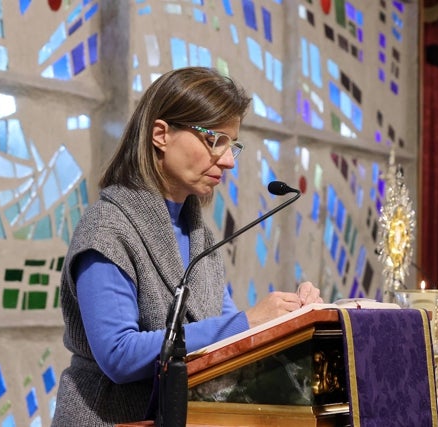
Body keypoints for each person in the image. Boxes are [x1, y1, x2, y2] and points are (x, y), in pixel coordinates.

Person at [51, 67, 322, 427]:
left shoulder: (199, 235)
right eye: (215, 140)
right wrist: (248, 321)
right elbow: (119, 355)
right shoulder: (107, 229)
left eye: (232, 145)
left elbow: (224, 339)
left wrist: (290, 321)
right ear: (160, 134)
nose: (227, 160)